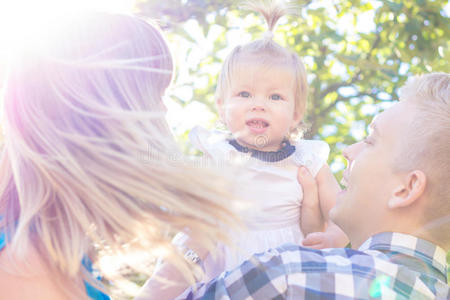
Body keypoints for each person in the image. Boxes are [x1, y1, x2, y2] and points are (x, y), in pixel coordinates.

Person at [0, 13, 238, 299]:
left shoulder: (44, 253)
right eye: (154, 93)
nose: (164, 110)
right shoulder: (27, 268)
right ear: (106, 111)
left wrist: (191, 252)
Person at [171, 72, 450, 299]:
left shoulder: (288, 276)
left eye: (370, 140)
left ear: (406, 188)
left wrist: (194, 246)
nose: (347, 151)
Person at [187, 1, 348, 280]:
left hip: (287, 271)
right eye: (245, 94)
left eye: (275, 97)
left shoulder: (307, 160)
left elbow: (345, 213)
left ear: (296, 113)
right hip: (223, 267)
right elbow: (186, 206)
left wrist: (334, 236)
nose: (258, 105)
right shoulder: (216, 153)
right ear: (221, 106)